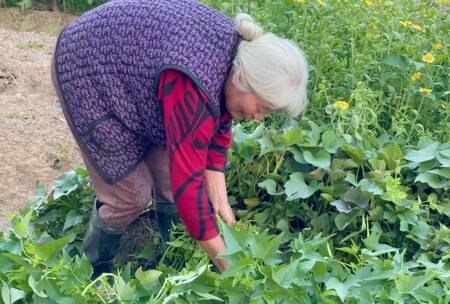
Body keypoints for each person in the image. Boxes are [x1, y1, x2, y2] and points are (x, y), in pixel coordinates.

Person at [50, 0, 308, 277]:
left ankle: (171, 255)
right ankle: (90, 269)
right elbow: (190, 190)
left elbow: (219, 126)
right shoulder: (193, 83)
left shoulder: (236, 58)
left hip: (136, 73)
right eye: (262, 107)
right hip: (87, 68)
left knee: (169, 183)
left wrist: (220, 205)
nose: (259, 117)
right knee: (129, 196)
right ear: (244, 78)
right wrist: (229, 268)